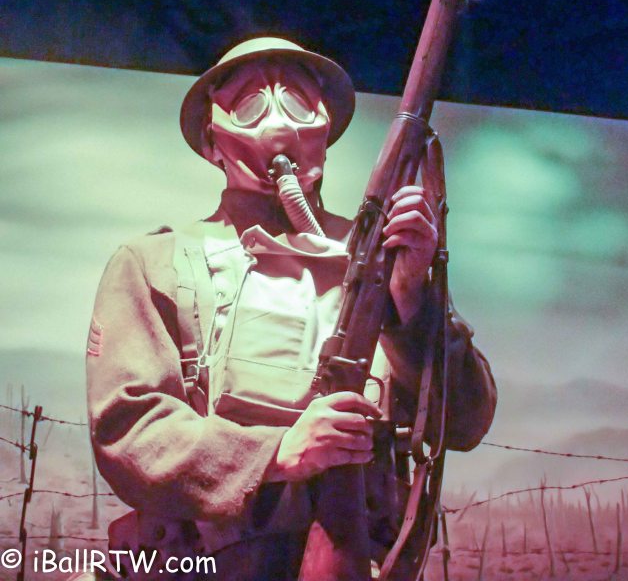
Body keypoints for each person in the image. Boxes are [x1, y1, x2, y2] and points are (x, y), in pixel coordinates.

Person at [86, 37, 496, 581]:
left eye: (298, 101)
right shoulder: (156, 263)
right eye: (249, 103)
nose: (278, 120)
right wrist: (277, 453)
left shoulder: (382, 261)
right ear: (212, 138)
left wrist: (413, 302)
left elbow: (464, 423)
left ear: (327, 128)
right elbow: (130, 429)